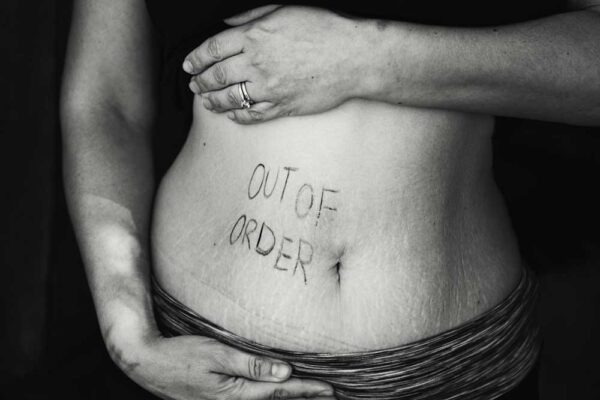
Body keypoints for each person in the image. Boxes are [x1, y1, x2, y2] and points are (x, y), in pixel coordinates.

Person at [60, 0, 600, 399]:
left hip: (451, 372)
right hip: (201, 365)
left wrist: (368, 58)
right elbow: (105, 104)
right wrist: (128, 334)